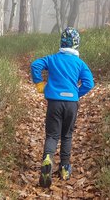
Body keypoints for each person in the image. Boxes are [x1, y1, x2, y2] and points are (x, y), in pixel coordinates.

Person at [31, 27, 94, 188]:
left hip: (54, 104)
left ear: (61, 42)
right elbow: (89, 83)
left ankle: (47, 159)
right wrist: (76, 94)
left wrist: (39, 84)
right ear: (76, 44)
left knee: (52, 135)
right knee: (67, 135)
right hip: (71, 104)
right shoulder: (79, 63)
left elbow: (35, 65)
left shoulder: (52, 59)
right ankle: (65, 168)